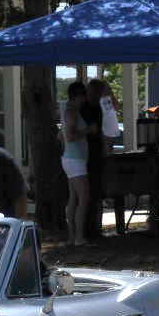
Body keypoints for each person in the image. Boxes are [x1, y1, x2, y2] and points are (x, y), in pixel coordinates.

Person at [80, 79, 117, 240]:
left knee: (95, 194)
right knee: (89, 195)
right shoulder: (85, 108)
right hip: (87, 156)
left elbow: (113, 112)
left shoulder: (98, 107)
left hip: (96, 155)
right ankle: (89, 231)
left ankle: (95, 229)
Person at [62, 82, 93, 247]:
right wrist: (89, 130)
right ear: (77, 96)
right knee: (84, 198)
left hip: (72, 159)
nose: (85, 99)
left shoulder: (70, 111)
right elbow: (70, 136)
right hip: (75, 160)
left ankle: (72, 237)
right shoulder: (72, 112)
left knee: (73, 198)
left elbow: (61, 137)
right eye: (83, 96)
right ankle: (79, 237)